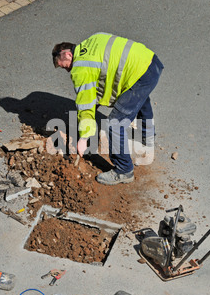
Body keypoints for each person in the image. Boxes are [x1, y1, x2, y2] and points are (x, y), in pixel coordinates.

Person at [52, 32, 164, 185]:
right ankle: (148, 136)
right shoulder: (93, 40)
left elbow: (85, 105)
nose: (68, 71)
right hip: (151, 63)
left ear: (67, 54)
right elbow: (102, 80)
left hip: (139, 75)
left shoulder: (80, 68)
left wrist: (84, 138)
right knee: (141, 100)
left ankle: (124, 170)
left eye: (65, 66)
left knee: (114, 123)